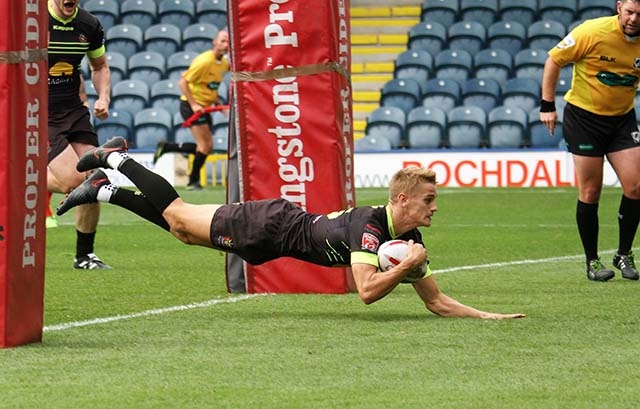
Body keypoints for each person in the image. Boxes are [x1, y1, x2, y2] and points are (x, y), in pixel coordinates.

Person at [56, 137, 525, 319]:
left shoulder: (410, 242)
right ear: (401, 199)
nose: (434, 208)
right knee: (178, 214)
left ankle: (106, 191)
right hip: (268, 224)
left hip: (271, 241)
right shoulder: (370, 227)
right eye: (429, 200)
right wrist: (408, 267)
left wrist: (490, 317)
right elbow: (366, 292)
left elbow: (438, 302)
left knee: (179, 230)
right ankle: (114, 160)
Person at [540, 0, 640, 282]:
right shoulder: (592, 31)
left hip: (622, 120)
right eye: (630, 11)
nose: (634, 19)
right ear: (619, 7)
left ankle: (623, 254)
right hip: (584, 120)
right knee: (591, 191)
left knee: (636, 186)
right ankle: (592, 261)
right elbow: (554, 60)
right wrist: (547, 105)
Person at [47, 0, 112, 269]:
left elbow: (100, 67)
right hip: (40, 112)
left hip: (74, 109)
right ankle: (18, 180)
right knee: (73, 182)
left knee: (96, 179)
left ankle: (84, 256)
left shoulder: (89, 24)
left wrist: (104, 98)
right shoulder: (33, 23)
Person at [152, 29, 230, 191]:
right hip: (192, 105)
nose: (226, 45)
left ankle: (167, 147)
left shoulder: (224, 64)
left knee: (205, 146)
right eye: (222, 41)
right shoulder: (204, 61)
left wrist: (216, 101)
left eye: (229, 42)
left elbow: (208, 85)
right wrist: (194, 104)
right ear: (214, 42)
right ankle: (192, 181)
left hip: (205, 107)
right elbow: (183, 83)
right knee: (206, 145)